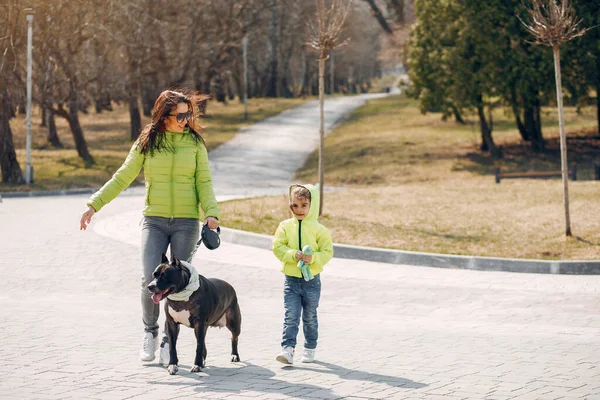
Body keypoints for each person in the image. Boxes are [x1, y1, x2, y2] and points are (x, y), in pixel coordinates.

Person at [79, 89, 220, 365]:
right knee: (149, 280)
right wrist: (94, 204)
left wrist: (211, 214)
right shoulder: (148, 141)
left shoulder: (194, 144)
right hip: (153, 220)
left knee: (178, 286)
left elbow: (204, 182)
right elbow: (123, 176)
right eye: (180, 115)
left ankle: (169, 340)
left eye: (188, 113)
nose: (185, 119)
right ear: (164, 116)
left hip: (186, 222)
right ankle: (150, 332)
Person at [272, 184, 333, 364]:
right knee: (291, 314)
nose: (299, 210)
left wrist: (313, 258)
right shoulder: (284, 226)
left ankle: (310, 347)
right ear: (290, 205)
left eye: (304, 205)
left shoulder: (319, 229)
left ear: (311, 205)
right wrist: (293, 254)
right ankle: (288, 349)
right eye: (295, 205)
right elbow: (277, 247)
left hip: (312, 281)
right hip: (291, 281)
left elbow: (327, 251)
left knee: (310, 315)